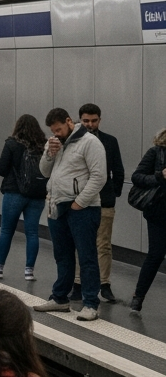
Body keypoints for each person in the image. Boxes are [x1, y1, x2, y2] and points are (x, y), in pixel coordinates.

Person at [33, 107, 107, 321]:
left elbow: (99, 177)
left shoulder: (90, 143)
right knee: (62, 255)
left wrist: (79, 202)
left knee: (86, 256)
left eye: (59, 129)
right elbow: (44, 172)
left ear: (69, 122)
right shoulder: (54, 142)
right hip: (57, 205)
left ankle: (91, 303)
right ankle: (60, 298)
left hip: (82, 208)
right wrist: (49, 153)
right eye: (53, 131)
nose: (56, 134)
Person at [75, 104, 125, 304]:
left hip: (104, 200)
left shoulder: (110, 141)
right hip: (79, 200)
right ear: (80, 120)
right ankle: (78, 283)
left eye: (94, 120)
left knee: (103, 244)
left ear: (99, 120)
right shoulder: (73, 141)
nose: (89, 124)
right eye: (86, 121)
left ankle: (104, 284)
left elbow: (118, 170)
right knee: (79, 243)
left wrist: (113, 194)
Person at [0, 114, 48, 282]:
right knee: (32, 232)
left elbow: (1, 169)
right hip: (37, 195)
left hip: (14, 192)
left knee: (7, 230)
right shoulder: (43, 146)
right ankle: (29, 271)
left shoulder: (12, 144)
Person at [129, 128, 166, 313]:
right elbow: (137, 177)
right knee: (156, 255)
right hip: (159, 214)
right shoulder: (156, 152)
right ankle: (138, 296)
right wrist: (160, 175)